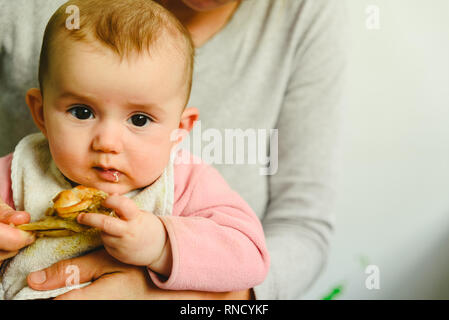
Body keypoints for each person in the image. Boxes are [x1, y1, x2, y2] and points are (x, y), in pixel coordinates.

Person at [0, 0, 347, 299]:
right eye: (82, 112)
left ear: (180, 130)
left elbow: (252, 255)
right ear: (40, 113)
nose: (106, 141)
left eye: (138, 120)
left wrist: (163, 245)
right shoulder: (21, 171)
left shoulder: (185, 182)